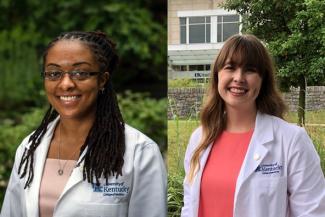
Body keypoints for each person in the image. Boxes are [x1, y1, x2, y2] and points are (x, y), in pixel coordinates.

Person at [1, 31, 167, 217]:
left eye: (80, 73)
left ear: (102, 80)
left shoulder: (139, 152)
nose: (66, 84)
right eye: (54, 73)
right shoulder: (29, 148)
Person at [181, 34, 325, 217]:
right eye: (230, 67)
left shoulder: (292, 140)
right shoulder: (199, 138)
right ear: (218, 75)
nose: (238, 77)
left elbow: (312, 212)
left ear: (262, 80)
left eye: (250, 70)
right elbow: (189, 207)